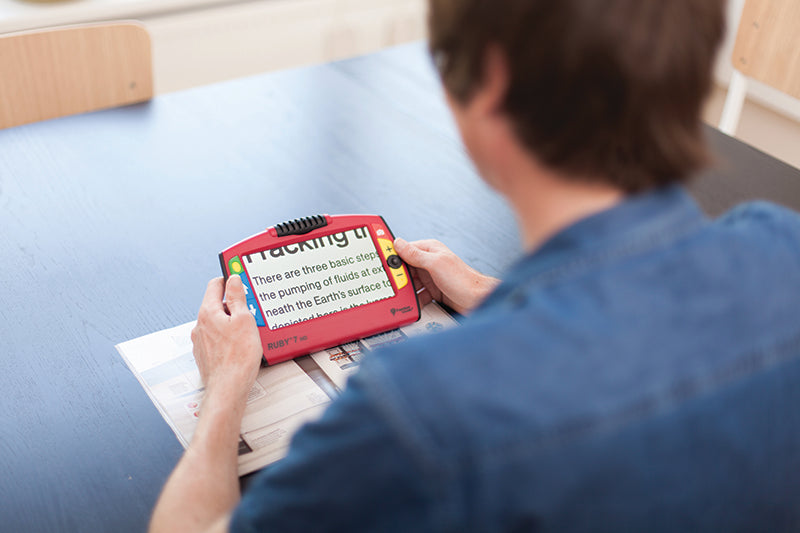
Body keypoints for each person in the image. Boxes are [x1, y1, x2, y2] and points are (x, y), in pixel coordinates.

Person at [150, 1, 800, 531]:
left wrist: (228, 382)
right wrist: (499, 297)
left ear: (487, 86)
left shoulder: (422, 409)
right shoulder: (783, 246)